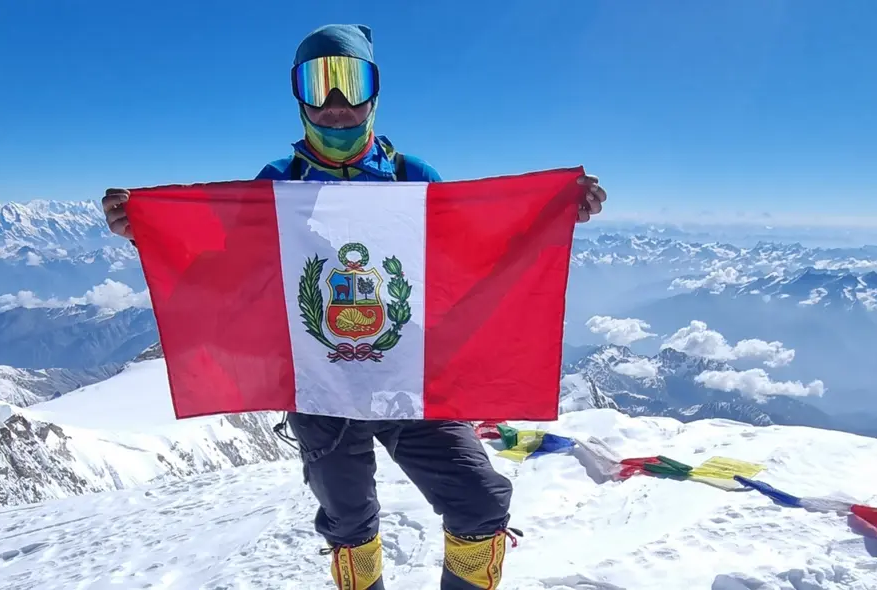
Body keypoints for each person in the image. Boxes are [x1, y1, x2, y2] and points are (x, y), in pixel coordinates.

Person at [102, 23, 606, 590]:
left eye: (352, 81)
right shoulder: (278, 185)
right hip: (320, 389)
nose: (337, 104)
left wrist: (552, 218)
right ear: (298, 97)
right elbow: (230, 272)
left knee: (480, 501)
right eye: (319, 84)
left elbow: (472, 261)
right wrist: (149, 233)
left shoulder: (413, 179)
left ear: (375, 91)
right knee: (348, 524)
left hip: (408, 381)